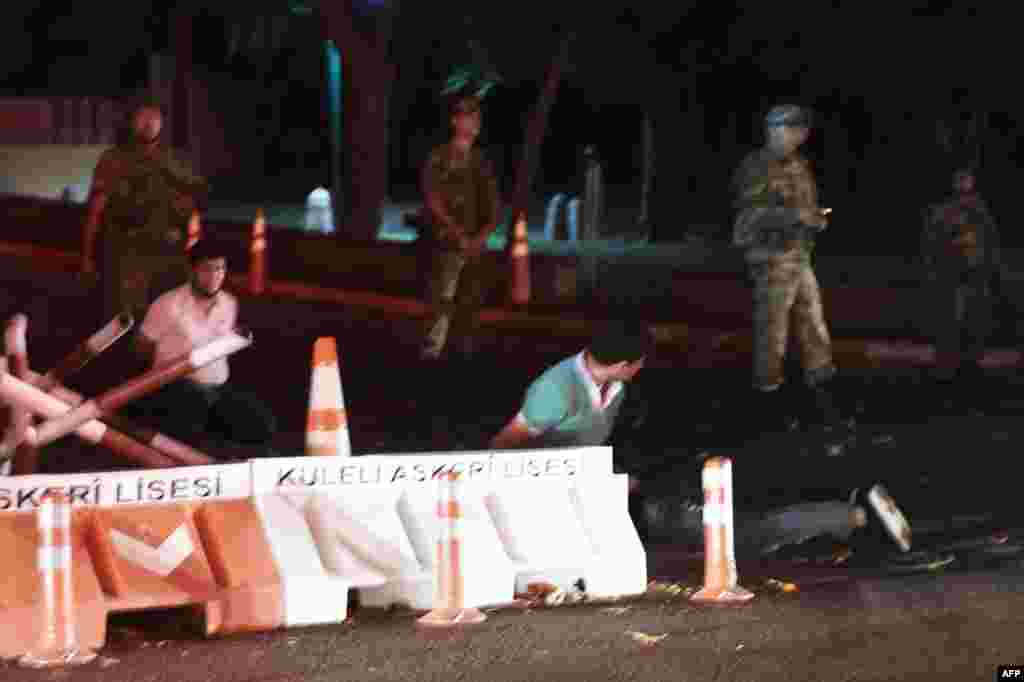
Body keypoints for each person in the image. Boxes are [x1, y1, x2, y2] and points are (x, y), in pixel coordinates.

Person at [731, 104, 850, 442]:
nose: (800, 135)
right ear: (774, 129)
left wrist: (816, 216)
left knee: (814, 325)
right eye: (792, 129)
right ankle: (768, 401)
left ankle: (822, 391)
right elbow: (748, 216)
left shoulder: (800, 165)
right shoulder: (756, 166)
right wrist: (796, 216)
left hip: (799, 256)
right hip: (771, 260)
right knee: (773, 334)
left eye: (802, 130)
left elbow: (805, 205)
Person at [132, 239, 278, 457]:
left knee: (262, 423)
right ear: (192, 270)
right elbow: (141, 346)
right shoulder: (168, 304)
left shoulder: (229, 304)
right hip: (174, 389)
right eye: (207, 269)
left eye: (219, 268)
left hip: (218, 390)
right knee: (192, 414)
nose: (214, 276)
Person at [81, 99, 209, 322]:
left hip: (168, 258)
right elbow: (95, 212)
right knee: (124, 323)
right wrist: (87, 255)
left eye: (155, 116)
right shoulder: (113, 159)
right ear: (132, 121)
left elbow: (196, 205)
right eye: (143, 116)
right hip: (126, 259)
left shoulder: (176, 160)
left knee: (168, 321)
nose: (149, 122)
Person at [489, 322, 652, 491]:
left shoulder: (615, 383)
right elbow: (502, 444)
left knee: (632, 485)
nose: (641, 367)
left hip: (578, 467)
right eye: (640, 363)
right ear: (621, 366)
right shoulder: (554, 390)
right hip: (543, 479)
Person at [419, 94, 501, 360]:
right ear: (455, 121)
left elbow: (493, 207)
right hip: (447, 244)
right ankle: (431, 359)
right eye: (468, 116)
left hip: (475, 247)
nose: (474, 122)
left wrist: (480, 237)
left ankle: (464, 361)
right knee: (441, 305)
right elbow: (433, 201)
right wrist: (459, 235)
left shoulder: (482, 161)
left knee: (470, 306)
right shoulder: (440, 157)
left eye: (476, 117)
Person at [921, 168, 1005, 406]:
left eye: (969, 186)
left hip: (975, 278)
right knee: (950, 326)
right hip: (951, 279)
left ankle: (970, 372)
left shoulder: (981, 212)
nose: (965, 193)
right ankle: (948, 375)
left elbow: (991, 244)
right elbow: (931, 245)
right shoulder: (942, 213)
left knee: (974, 324)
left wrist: (992, 271)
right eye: (961, 186)